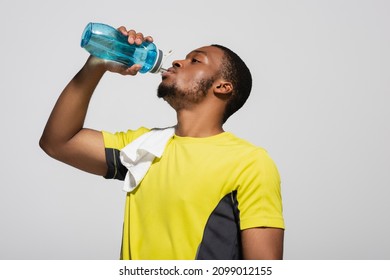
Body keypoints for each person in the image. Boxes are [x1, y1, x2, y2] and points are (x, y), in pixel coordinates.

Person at [39, 26, 285, 260]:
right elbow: (59, 142)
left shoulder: (251, 163)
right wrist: (98, 63)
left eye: (195, 60)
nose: (178, 61)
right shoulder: (144, 146)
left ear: (222, 87)